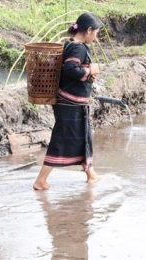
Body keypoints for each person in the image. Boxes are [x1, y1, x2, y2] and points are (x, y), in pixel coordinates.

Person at [33, 12, 101, 190]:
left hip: (73, 103)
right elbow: (71, 69)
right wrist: (90, 71)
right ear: (88, 30)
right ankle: (41, 180)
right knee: (62, 140)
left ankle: (90, 174)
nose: (96, 36)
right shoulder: (78, 48)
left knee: (82, 138)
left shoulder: (71, 44)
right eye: (96, 32)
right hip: (70, 103)